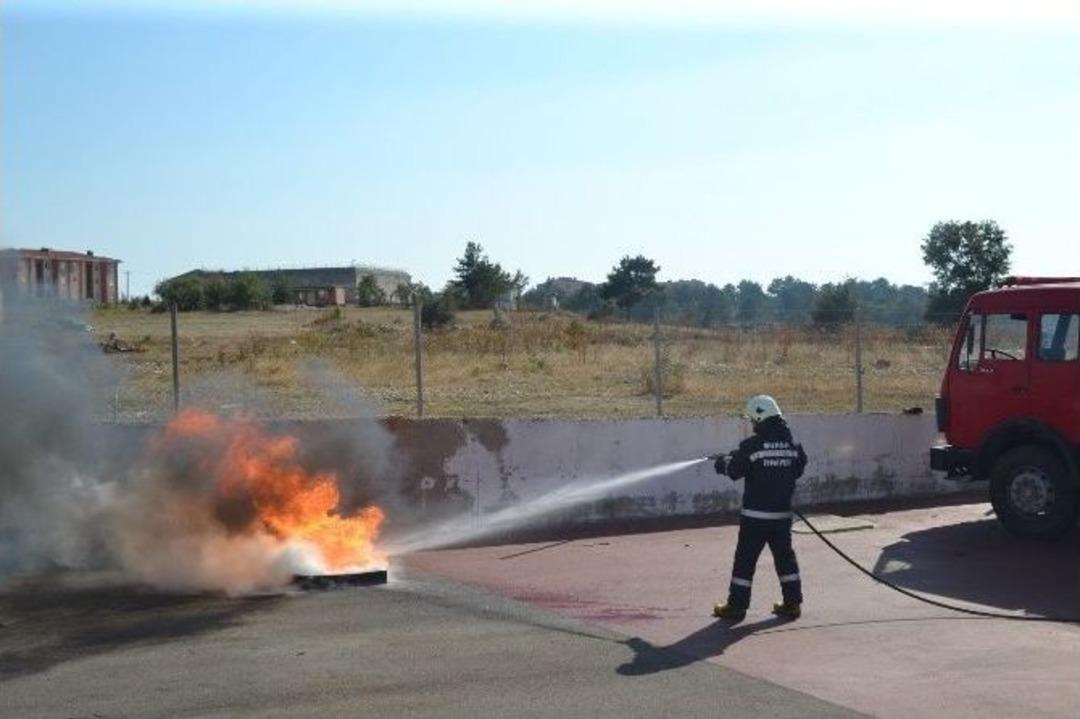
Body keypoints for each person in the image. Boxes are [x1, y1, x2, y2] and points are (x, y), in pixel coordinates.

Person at [712, 395, 808, 622]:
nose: (753, 425)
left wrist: (722, 463)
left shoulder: (752, 446)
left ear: (760, 417)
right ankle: (792, 604)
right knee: (786, 560)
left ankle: (736, 607)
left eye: (753, 420)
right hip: (782, 517)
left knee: (745, 561)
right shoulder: (793, 447)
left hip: (755, 518)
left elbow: (734, 470)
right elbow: (798, 469)